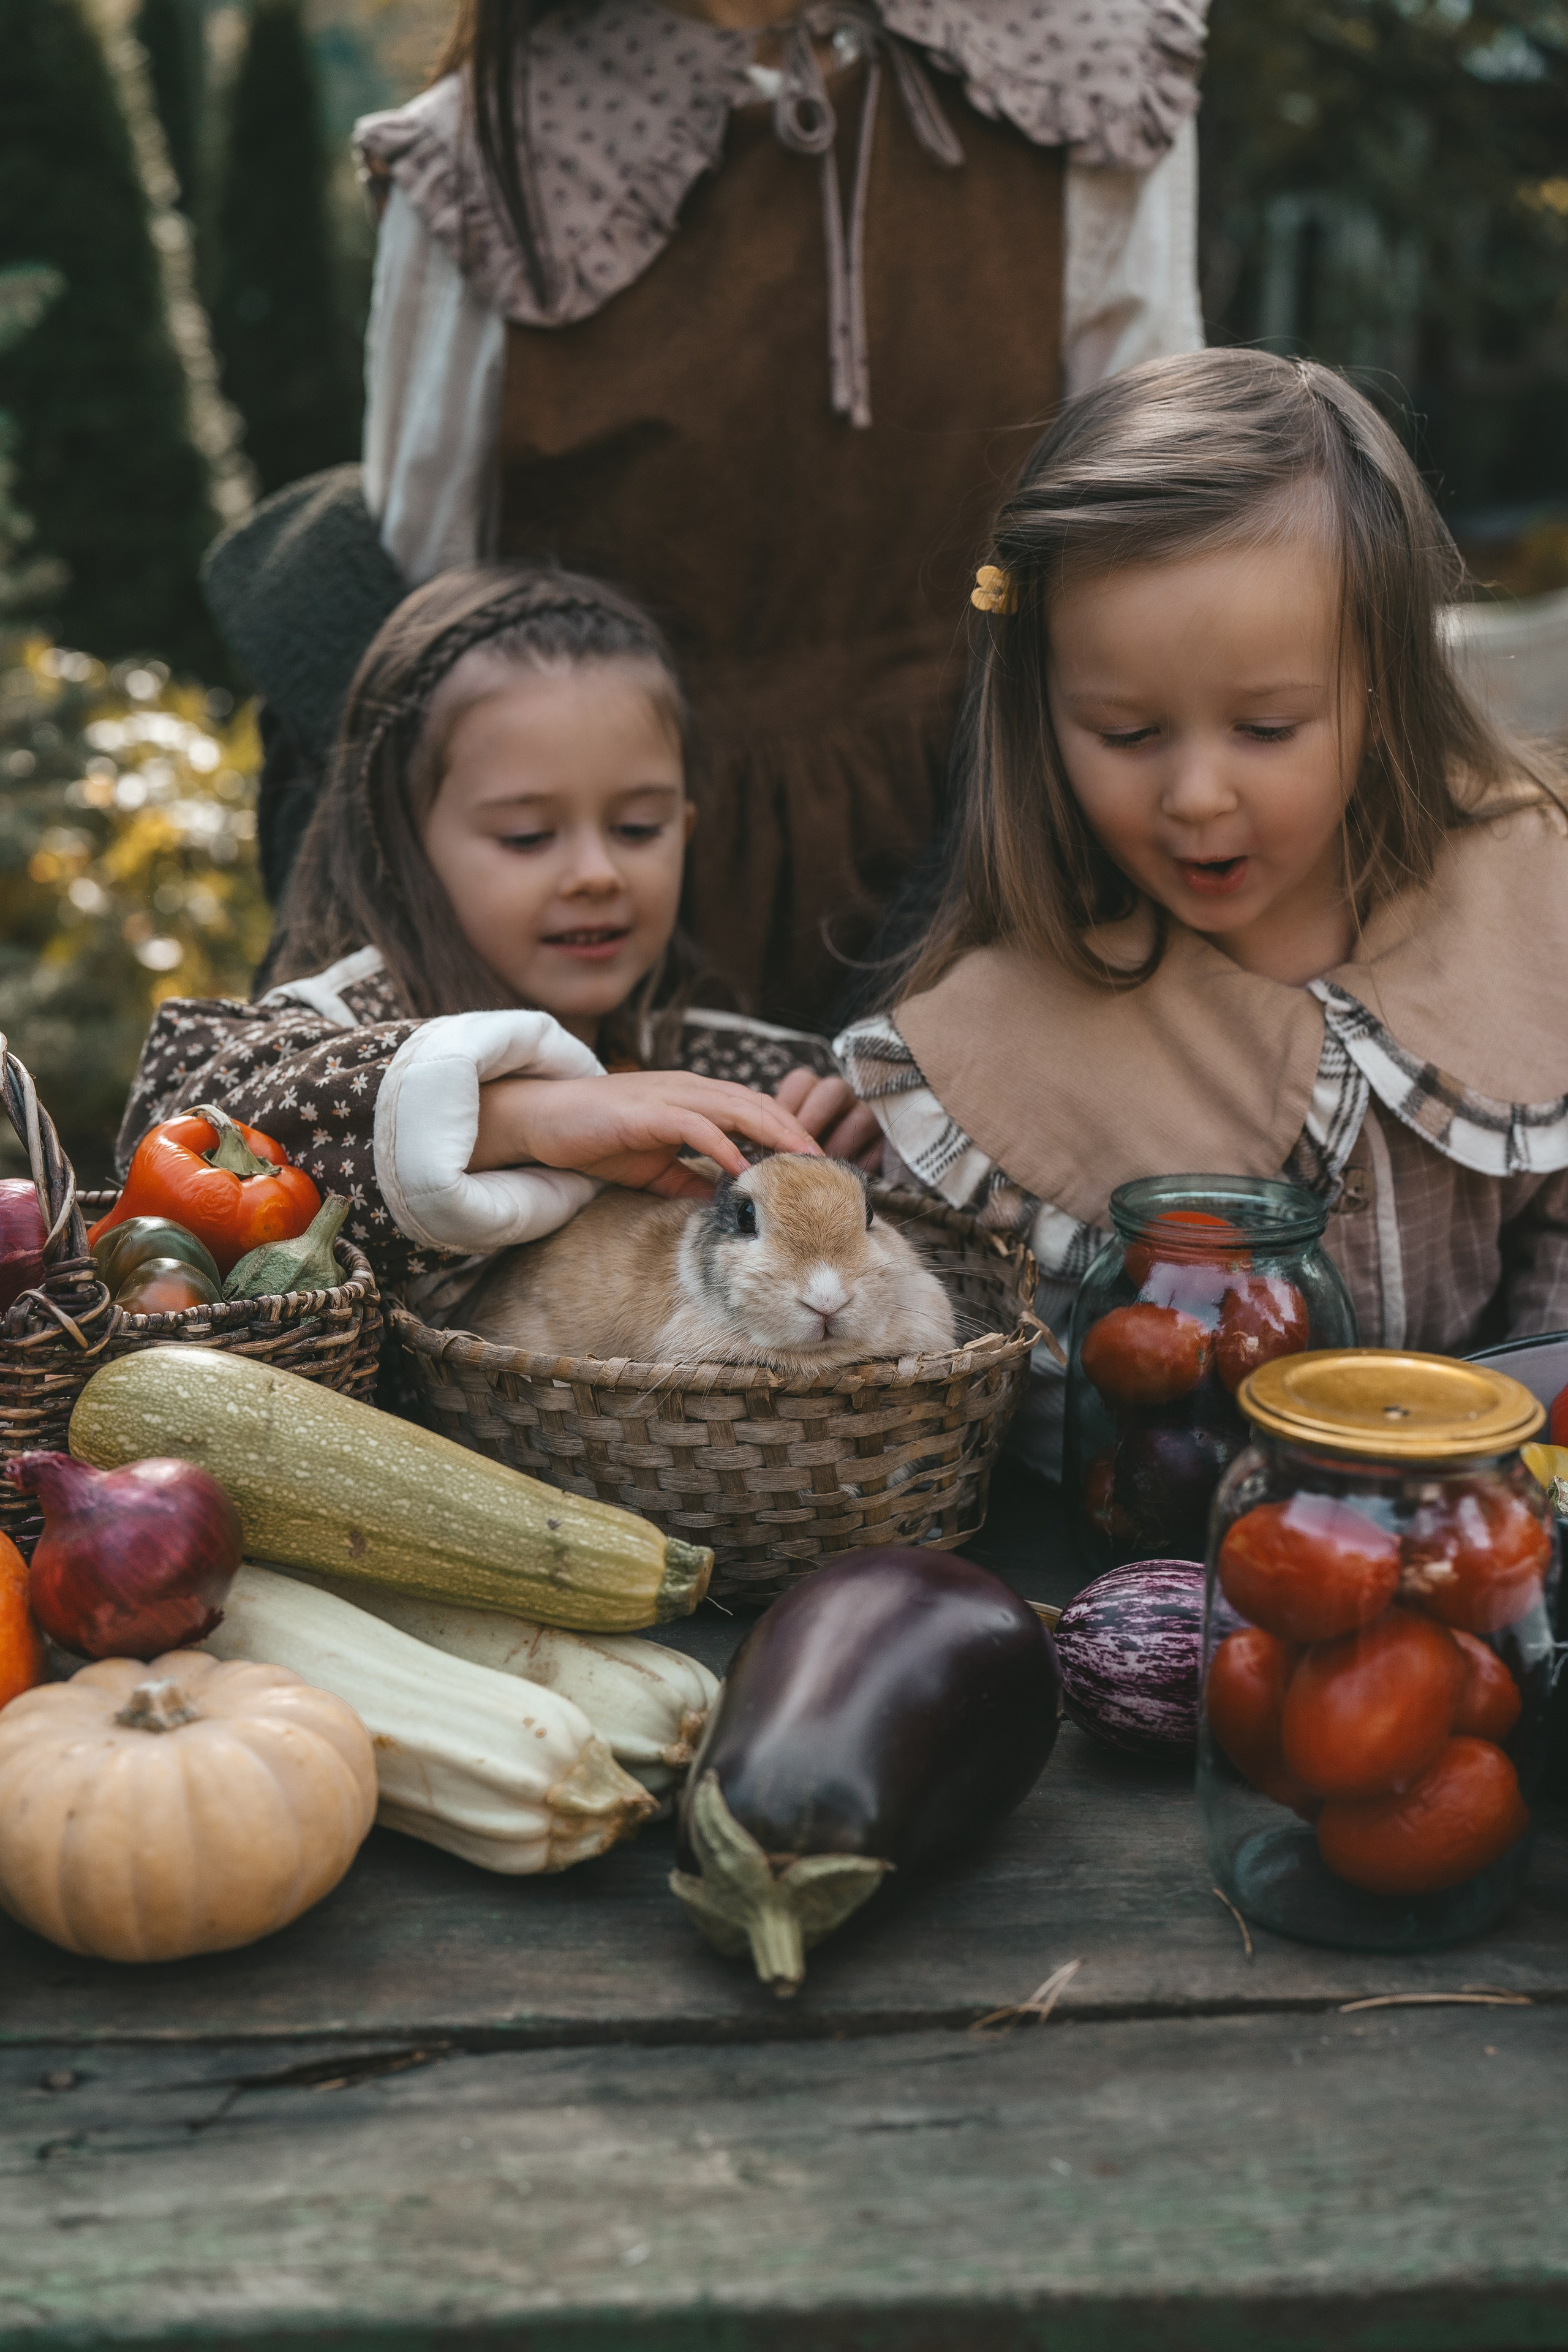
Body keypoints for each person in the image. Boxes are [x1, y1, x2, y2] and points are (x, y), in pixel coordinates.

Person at [205, 0, 1208, 1026]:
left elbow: (1135, 543)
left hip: (995, 862)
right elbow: (443, 612)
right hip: (613, 916)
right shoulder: (490, 157)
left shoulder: (1074, 71)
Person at [835, 347, 1568, 1474]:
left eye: (1268, 729)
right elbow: (958, 1409)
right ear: (1041, 713)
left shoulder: (1529, 889)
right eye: (1127, 735)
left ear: (1385, 687)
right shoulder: (984, 1053)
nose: (1196, 796)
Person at [117, 565, 878, 1302]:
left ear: (687, 830)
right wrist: (524, 1119)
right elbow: (179, 1122)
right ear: (407, 842)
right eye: (525, 836)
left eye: (637, 828)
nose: (595, 873)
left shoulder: (726, 1071)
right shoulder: (338, 1028)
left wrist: (856, 1148)